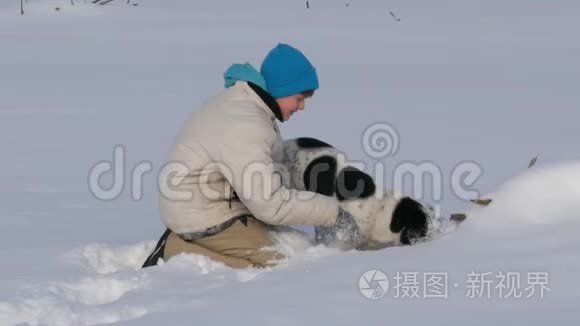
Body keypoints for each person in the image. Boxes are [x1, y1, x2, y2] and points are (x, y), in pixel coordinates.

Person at [142, 43, 359, 269]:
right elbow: (270, 205)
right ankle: (176, 250)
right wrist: (331, 213)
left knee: (291, 246)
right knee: (286, 264)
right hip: (201, 215)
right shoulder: (245, 123)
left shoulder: (249, 107)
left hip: (211, 205)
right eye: (300, 97)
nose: (302, 106)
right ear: (283, 89)